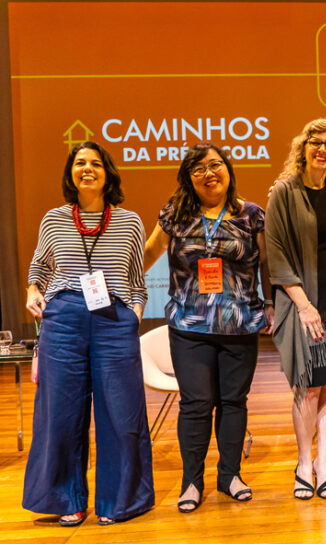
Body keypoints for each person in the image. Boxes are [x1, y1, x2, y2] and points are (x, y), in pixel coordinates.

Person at [22, 141, 154, 526]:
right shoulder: (54, 219)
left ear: (107, 173)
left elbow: (136, 282)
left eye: (95, 163)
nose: (87, 168)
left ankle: (119, 501)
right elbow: (39, 268)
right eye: (80, 162)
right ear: (71, 172)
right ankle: (66, 500)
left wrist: (135, 314)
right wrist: (33, 291)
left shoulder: (129, 221)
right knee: (60, 413)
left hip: (114, 318)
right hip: (63, 318)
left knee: (120, 412)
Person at [144, 142, 273, 513]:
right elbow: (149, 252)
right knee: (196, 404)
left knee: (233, 402)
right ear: (188, 178)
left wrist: (270, 304)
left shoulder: (251, 215)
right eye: (198, 169)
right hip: (190, 325)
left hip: (240, 324)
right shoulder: (175, 215)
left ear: (228, 170)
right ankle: (191, 481)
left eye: (215, 165)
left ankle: (230, 474)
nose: (209, 173)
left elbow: (265, 263)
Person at [265, 119, 326, 500]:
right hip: (304, 302)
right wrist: (303, 305)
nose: (323, 150)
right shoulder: (284, 192)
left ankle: (324, 463)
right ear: (303, 147)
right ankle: (303, 463)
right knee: (308, 384)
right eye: (316, 143)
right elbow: (277, 253)